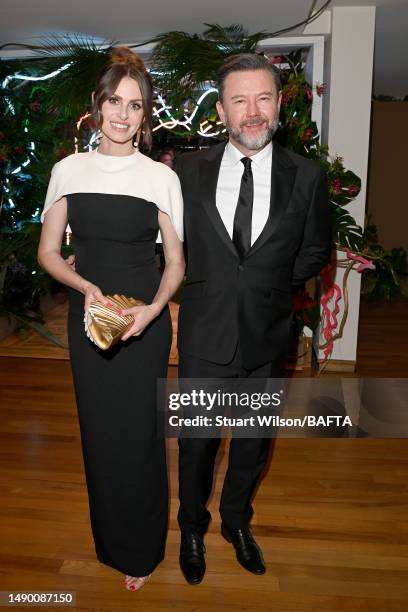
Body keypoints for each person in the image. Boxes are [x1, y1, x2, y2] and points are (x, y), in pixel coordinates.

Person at [175, 53, 331, 584]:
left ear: (279, 104)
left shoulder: (307, 177)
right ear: (221, 111)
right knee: (196, 444)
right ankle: (191, 527)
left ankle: (236, 521)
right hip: (203, 334)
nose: (253, 111)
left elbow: (315, 252)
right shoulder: (185, 172)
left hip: (268, 335)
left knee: (252, 441)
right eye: (239, 100)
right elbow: (168, 250)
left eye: (263, 97)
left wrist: (266, 288)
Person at [37, 47, 185, 591]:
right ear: (97, 106)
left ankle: (142, 549)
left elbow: (176, 263)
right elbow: (49, 253)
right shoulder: (67, 171)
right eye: (115, 102)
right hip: (91, 320)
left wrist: (152, 311)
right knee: (100, 435)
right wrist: (84, 286)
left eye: (136, 105)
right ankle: (113, 543)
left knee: (142, 437)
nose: (123, 114)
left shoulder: (160, 178)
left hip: (144, 322)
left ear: (146, 116)